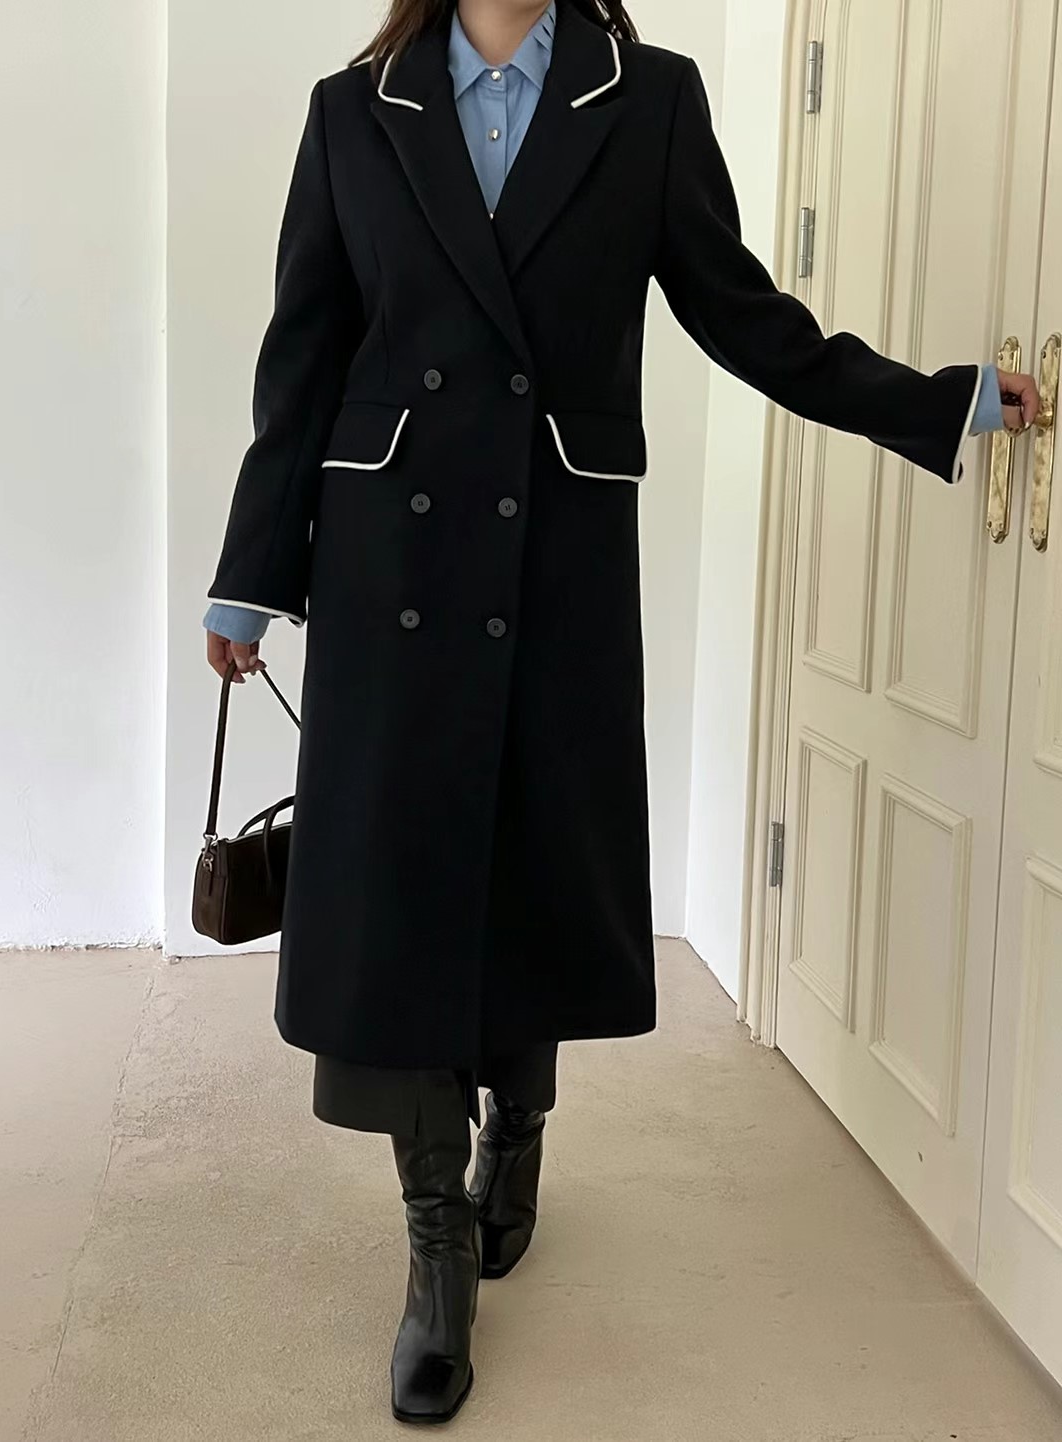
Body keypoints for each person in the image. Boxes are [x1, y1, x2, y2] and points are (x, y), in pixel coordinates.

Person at [203, 0, 1039, 1424]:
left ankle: (517, 1125)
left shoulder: (647, 98)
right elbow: (305, 357)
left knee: (530, 867)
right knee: (401, 897)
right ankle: (435, 1245)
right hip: (386, 569)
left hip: (554, 563)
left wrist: (937, 401)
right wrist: (249, 577)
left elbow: (745, 316)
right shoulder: (354, 110)